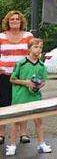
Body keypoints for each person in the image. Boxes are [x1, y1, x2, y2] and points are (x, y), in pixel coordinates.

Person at [6, 38, 51, 156]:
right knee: (16, 122)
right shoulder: (21, 63)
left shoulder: (41, 65)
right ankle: (12, 145)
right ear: (29, 48)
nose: (38, 49)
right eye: (36, 47)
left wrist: (39, 85)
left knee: (39, 121)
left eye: (40, 47)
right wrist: (26, 83)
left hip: (35, 97)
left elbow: (43, 81)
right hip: (20, 97)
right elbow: (12, 79)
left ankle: (41, 144)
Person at [0, 11, 34, 147]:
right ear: (7, 22)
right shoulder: (1, 36)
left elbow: (33, 53)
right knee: (3, 105)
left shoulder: (28, 36)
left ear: (21, 22)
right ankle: (1, 134)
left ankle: (23, 133)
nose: (15, 21)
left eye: (17, 19)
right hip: (4, 76)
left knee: (21, 105)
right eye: (12, 19)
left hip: (22, 77)